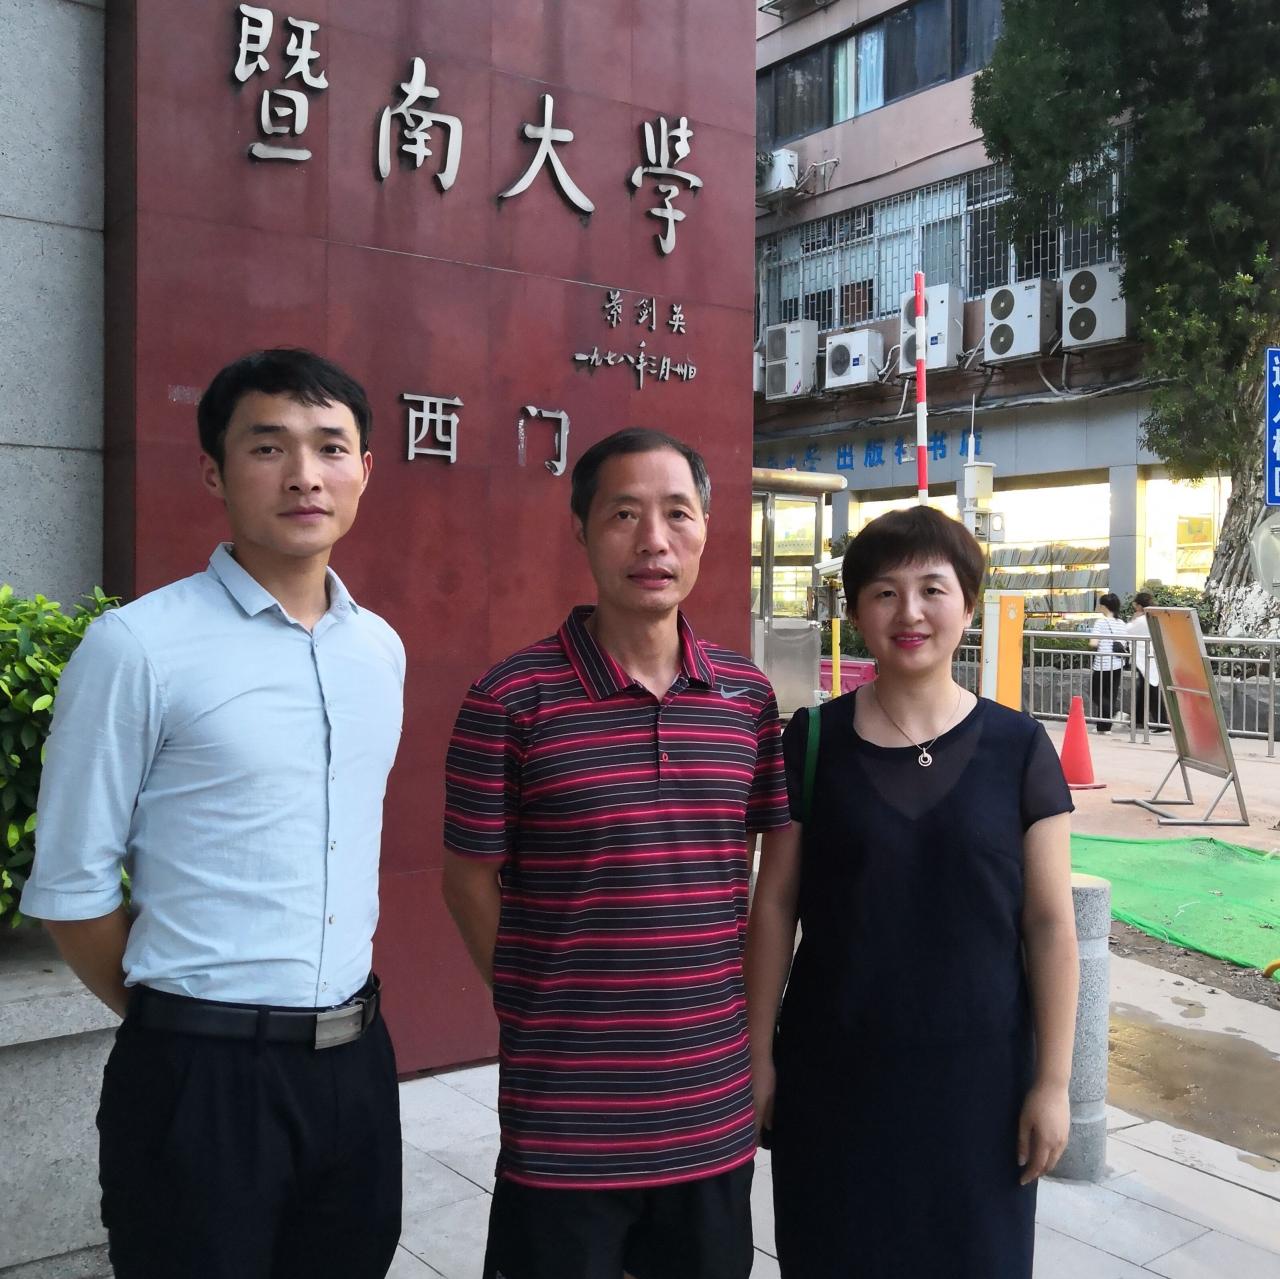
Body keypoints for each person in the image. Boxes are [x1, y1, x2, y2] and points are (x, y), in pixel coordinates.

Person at [22, 349, 406, 1279]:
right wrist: (185, 1021)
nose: (304, 474)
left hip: (356, 1066)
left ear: (364, 469)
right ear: (214, 472)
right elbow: (71, 890)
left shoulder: (379, 650)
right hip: (197, 1078)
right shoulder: (136, 648)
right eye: (268, 447)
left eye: (330, 447)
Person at [441, 428, 790, 1279]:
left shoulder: (746, 698)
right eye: (624, 514)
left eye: (678, 514)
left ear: (707, 528)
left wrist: (755, 1049)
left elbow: (764, 877)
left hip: (710, 1114)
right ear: (582, 529)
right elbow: (467, 881)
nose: (653, 541)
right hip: (564, 1123)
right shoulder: (510, 699)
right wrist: (538, 1001)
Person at [745, 505, 1079, 1279]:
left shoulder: (1020, 749)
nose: (910, 613)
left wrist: (1054, 1082)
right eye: (885, 592)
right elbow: (775, 905)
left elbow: (1050, 925)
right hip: (835, 1079)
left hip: (980, 1089)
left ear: (968, 603)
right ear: (857, 610)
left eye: (933, 588)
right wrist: (757, 1055)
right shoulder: (813, 741)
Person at [1126, 591, 1168, 732]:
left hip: (1143, 658)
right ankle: (1138, 719)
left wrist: (1133, 619)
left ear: (1138, 606)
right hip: (1150, 657)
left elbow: (1127, 631)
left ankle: (1162, 723)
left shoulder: (1141, 620)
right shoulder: (1154, 617)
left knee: (1150, 689)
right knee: (1145, 688)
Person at [1088, 591, 1129, 732]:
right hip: (1117, 663)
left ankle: (1116, 712)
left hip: (1102, 664)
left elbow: (1093, 643)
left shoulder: (1101, 622)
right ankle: (1104, 727)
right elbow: (1125, 642)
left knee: (1096, 695)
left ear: (1105, 606)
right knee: (1109, 695)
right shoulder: (1121, 623)